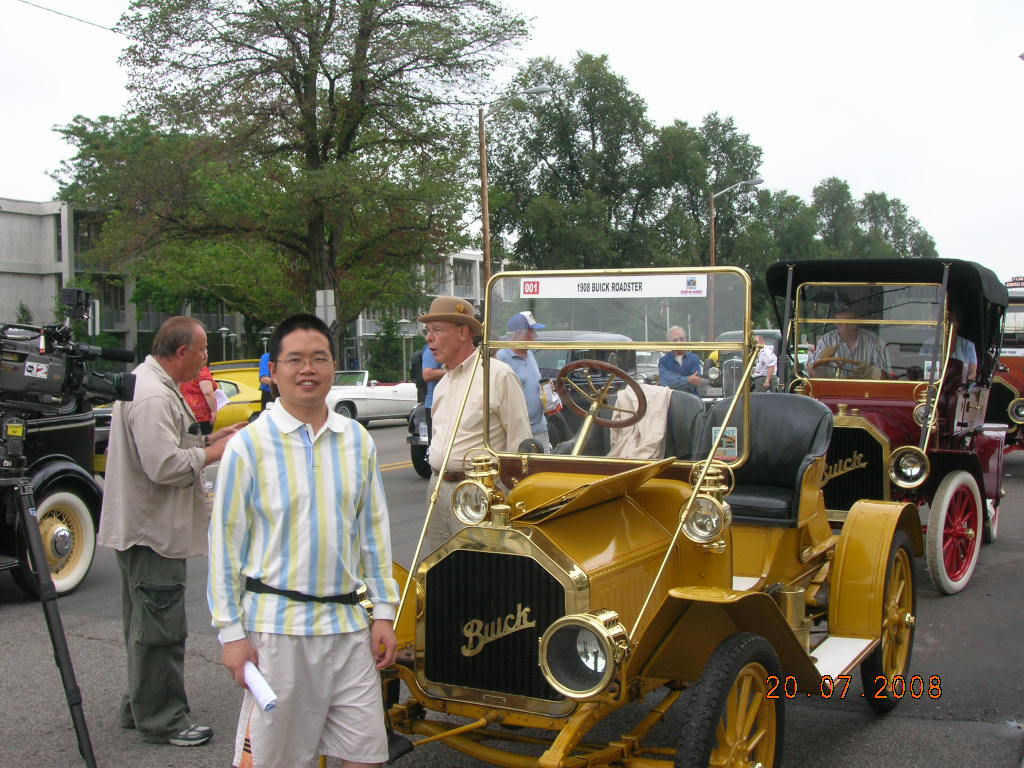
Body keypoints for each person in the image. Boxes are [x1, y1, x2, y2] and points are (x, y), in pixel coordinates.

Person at [208, 313, 399, 768]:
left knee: (366, 756)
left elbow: (373, 532)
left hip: (349, 629)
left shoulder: (356, 440)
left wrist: (384, 613)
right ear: (274, 371)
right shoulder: (248, 446)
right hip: (277, 633)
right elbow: (225, 547)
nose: (307, 369)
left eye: (319, 359)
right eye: (295, 360)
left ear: (334, 367)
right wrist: (231, 635)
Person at [98, 316, 244, 747]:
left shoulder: (147, 383)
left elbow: (167, 446)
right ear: (182, 352)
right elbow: (163, 467)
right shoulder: (153, 395)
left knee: (144, 624)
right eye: (202, 351)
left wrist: (211, 439)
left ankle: (139, 705)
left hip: (143, 527)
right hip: (153, 530)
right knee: (161, 629)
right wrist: (217, 451)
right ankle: (163, 719)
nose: (205, 360)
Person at [420, 296, 531, 551]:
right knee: (439, 570)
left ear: (462, 332)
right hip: (437, 488)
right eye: (428, 331)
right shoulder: (443, 383)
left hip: (478, 494)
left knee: (478, 572)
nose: (429, 338)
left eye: (437, 330)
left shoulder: (497, 375)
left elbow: (519, 445)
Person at [497, 310, 551, 452]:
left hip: (540, 427)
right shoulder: (501, 358)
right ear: (519, 334)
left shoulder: (530, 355)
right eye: (532, 332)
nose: (535, 336)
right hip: (518, 432)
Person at [808, 304, 889, 379]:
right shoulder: (826, 341)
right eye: (840, 323)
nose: (845, 327)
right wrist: (822, 360)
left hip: (866, 391)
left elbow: (887, 378)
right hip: (833, 391)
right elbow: (811, 375)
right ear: (835, 322)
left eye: (849, 322)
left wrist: (872, 372)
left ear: (858, 319)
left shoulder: (873, 341)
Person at [658, 326, 704, 394]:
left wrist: (675, 380)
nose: (679, 342)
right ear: (669, 342)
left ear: (686, 340)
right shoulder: (663, 361)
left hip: (691, 400)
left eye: (681, 339)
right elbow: (666, 382)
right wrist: (688, 379)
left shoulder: (694, 359)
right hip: (671, 400)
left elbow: (696, 381)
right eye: (675, 340)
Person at [180, 364, 219, 434]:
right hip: (202, 414)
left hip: (185, 410)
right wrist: (214, 410)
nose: (206, 354)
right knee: (203, 440)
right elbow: (208, 392)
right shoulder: (202, 370)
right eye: (203, 352)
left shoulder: (183, 368)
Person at [421, 343, 444, 441]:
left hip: (450, 403)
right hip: (434, 404)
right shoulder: (431, 350)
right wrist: (452, 370)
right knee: (436, 443)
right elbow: (427, 374)